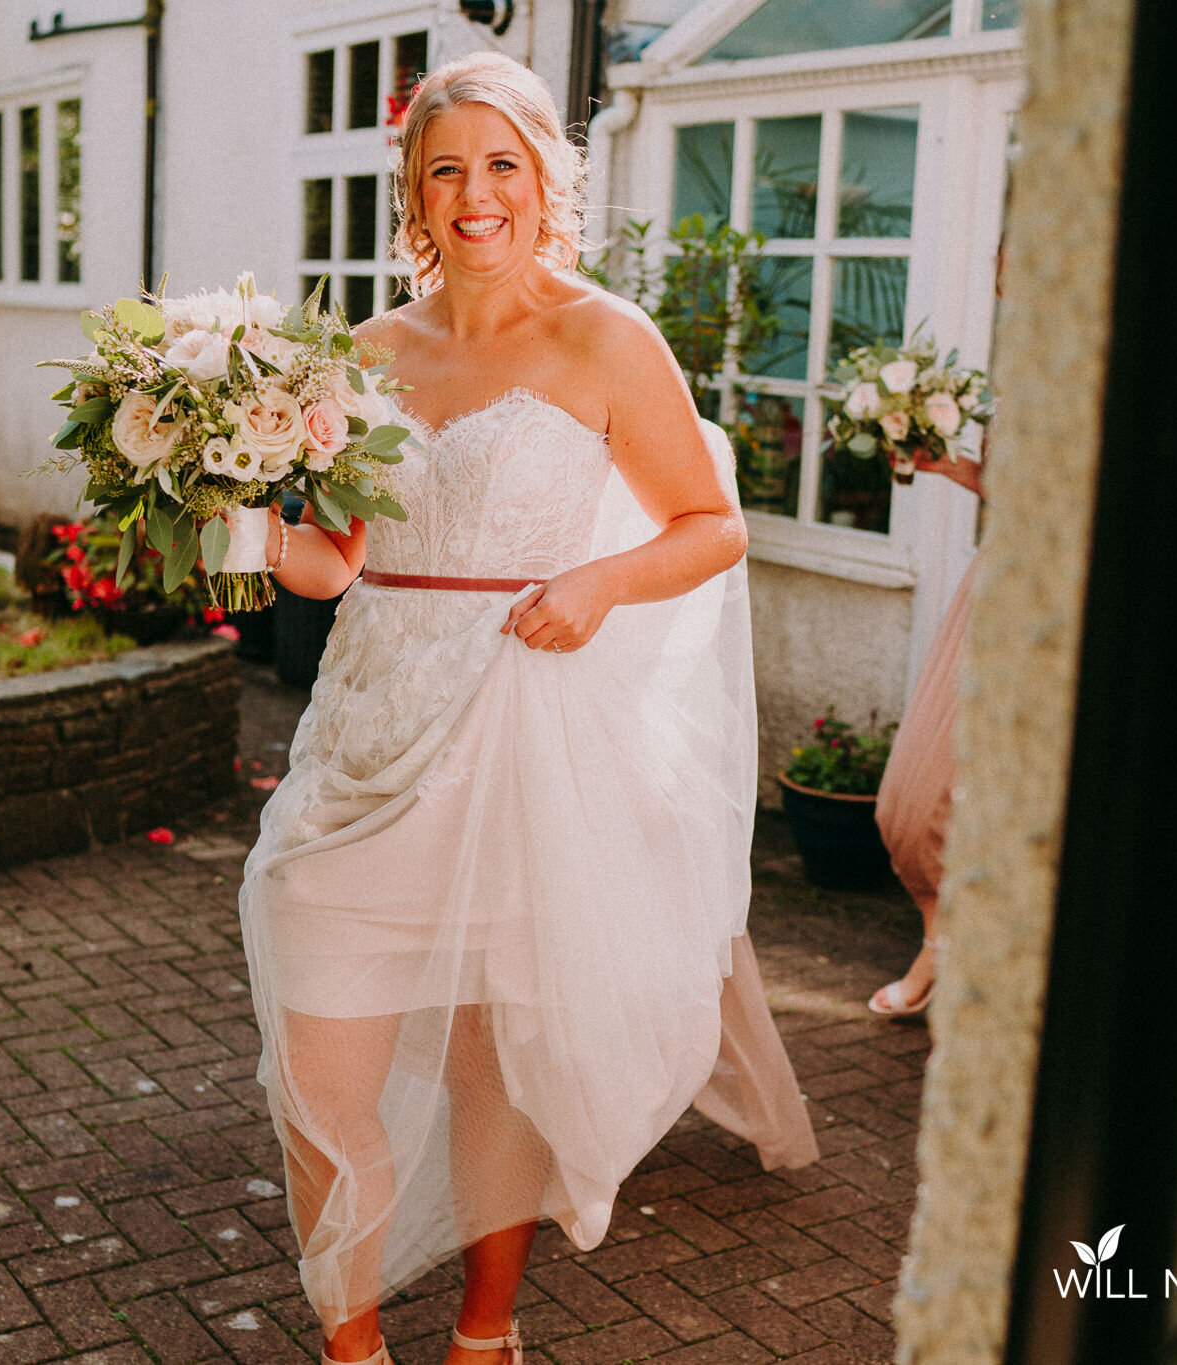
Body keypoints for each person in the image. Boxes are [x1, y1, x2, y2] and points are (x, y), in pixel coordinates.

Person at [235, 51, 818, 1365]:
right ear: (416, 193)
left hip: (522, 740)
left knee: (497, 1069)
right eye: (447, 170)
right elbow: (337, 563)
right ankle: (354, 1345)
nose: (475, 193)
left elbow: (711, 525)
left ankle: (484, 1335)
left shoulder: (607, 337)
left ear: (545, 177)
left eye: (501, 164)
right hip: (368, 735)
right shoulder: (365, 354)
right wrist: (240, 526)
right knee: (315, 1080)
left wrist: (604, 580)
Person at [868, 450, 982, 1017]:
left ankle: (948, 957)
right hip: (997, 584)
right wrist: (955, 469)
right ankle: (944, 939)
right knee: (913, 803)